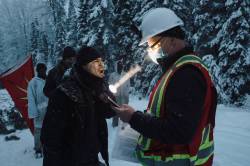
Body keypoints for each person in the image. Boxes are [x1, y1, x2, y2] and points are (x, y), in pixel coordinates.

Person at [114, 8, 217, 166]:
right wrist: (138, 116)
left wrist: (134, 118)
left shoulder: (186, 74)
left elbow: (178, 131)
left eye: (153, 45)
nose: (151, 51)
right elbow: (167, 116)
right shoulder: (177, 69)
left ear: (172, 40)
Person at [41, 46, 116, 166]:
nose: (101, 66)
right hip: (71, 161)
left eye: (101, 61)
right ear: (84, 66)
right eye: (96, 62)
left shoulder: (98, 86)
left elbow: (110, 112)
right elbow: (50, 139)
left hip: (92, 157)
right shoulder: (64, 93)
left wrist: (107, 96)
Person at [27, 63, 48, 158]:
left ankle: (48, 147)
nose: (43, 71)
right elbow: (31, 98)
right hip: (39, 111)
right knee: (38, 131)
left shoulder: (49, 80)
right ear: (38, 71)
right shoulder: (33, 83)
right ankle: (38, 149)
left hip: (50, 110)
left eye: (44, 69)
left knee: (49, 129)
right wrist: (34, 112)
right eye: (41, 70)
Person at [108, 60, 130, 128]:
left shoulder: (126, 74)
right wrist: (111, 95)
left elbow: (128, 85)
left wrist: (127, 96)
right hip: (115, 97)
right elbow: (109, 85)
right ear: (116, 66)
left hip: (124, 96)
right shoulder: (112, 75)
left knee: (124, 111)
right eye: (118, 65)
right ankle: (115, 125)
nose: (120, 67)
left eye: (121, 65)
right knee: (116, 111)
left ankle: (123, 126)